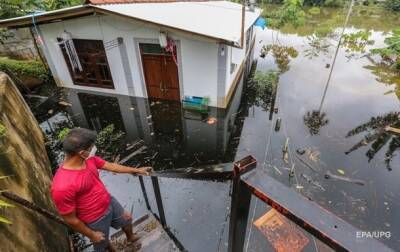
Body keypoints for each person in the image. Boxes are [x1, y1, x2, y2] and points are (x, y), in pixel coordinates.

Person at [51, 128, 152, 252]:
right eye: (91, 147)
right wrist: (91, 235)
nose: (94, 148)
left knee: (126, 219)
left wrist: (137, 170)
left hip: (109, 201)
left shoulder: (89, 160)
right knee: (102, 240)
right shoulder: (62, 186)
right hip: (94, 218)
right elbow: (70, 219)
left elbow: (111, 166)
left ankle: (130, 237)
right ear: (82, 153)